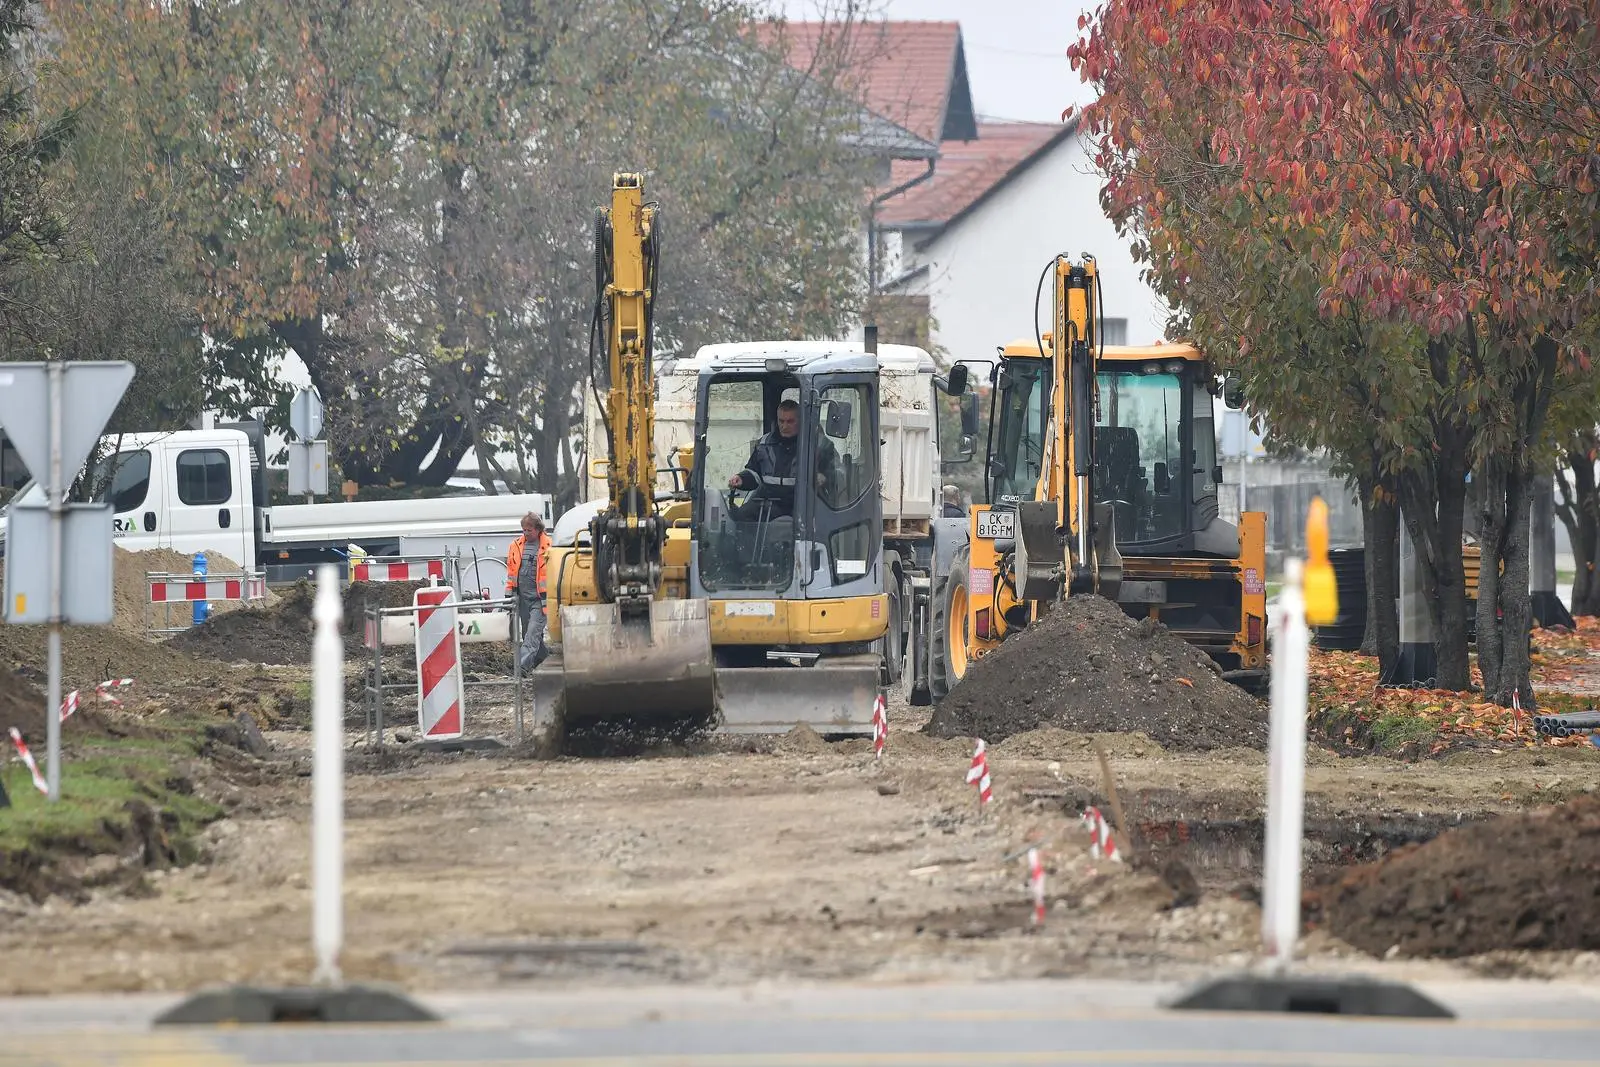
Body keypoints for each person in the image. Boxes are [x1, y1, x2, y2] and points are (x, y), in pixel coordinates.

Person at [726, 398, 839, 519]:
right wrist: (741, 479)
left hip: (804, 505)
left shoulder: (820, 445)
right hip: (769, 503)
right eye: (781, 421)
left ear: (801, 420)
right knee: (739, 517)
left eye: (790, 421)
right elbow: (754, 472)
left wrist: (824, 477)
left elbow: (838, 474)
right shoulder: (764, 444)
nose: (784, 426)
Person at [503, 512, 550, 671]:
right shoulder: (515, 546)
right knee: (529, 635)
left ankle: (521, 667)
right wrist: (509, 595)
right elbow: (511, 572)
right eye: (524, 530)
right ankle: (543, 660)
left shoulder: (549, 546)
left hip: (540, 600)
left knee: (532, 634)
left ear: (538, 529)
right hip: (522, 599)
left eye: (529, 530)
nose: (526, 533)